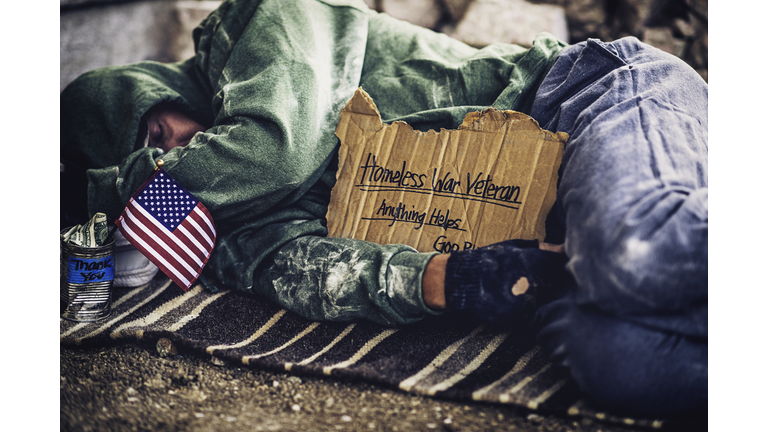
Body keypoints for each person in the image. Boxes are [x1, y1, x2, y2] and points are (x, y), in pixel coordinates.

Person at [60, 0, 707, 418]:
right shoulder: (226, 217)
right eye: (150, 166)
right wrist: (455, 277)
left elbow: (273, 151)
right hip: (556, 232)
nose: (170, 163)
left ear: (148, 89)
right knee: (617, 361)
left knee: (630, 254)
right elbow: (309, 270)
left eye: (153, 138)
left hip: (590, 104)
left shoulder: (259, 24)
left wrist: (132, 192)